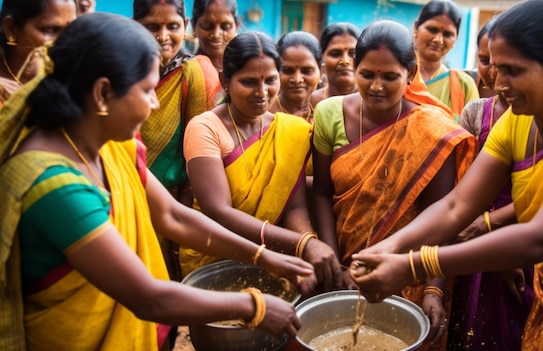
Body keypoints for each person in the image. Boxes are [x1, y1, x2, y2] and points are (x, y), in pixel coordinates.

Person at [0, 13, 315, 351]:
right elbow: (147, 297)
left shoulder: (110, 144)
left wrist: (263, 257)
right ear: (103, 93)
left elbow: (173, 216)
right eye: (148, 91)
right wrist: (255, 306)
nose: (154, 105)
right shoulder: (55, 186)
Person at [350, 1, 543, 350]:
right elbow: (457, 205)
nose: (496, 81)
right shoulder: (519, 118)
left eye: (513, 70)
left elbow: (541, 238)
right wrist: (390, 247)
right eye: (494, 68)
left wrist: (413, 266)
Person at [312, 20, 477, 347]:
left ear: (411, 74)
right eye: (367, 74)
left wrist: (434, 288)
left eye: (390, 76)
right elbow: (320, 193)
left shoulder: (432, 130)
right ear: (355, 69)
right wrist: (335, 264)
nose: (376, 86)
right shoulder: (329, 113)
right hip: (342, 269)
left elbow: (442, 217)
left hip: (408, 275)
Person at [182, 31, 342, 292]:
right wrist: (302, 246)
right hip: (215, 256)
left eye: (270, 80)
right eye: (249, 82)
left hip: (274, 257)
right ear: (225, 80)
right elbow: (219, 211)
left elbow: (294, 206)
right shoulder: (205, 128)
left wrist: (309, 243)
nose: (262, 92)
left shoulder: (291, 130)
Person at [450, 19, 534, 351]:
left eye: (509, 67)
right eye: (487, 62)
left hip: (527, 237)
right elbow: (460, 193)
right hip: (476, 232)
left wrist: (490, 227)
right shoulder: (480, 114)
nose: (497, 78)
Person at [133, 0, 222, 281]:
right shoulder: (123, 70)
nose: (163, 36)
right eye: (152, 27)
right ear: (136, 27)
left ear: (185, 28)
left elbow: (197, 148)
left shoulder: (194, 72)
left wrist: (183, 210)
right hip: (126, 190)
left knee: (165, 277)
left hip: (172, 198)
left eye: (172, 26)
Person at [0, 0, 76, 107]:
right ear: (11, 28)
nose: (65, 41)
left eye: (71, 30)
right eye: (49, 30)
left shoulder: (72, 78)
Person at [412, 0, 479, 120]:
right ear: (416, 28)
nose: (438, 39)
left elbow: (471, 135)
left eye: (447, 34)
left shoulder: (464, 85)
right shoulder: (396, 75)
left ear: (456, 39)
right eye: (432, 29)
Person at [269, 31, 322, 123]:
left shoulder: (326, 112)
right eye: (287, 70)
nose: (297, 79)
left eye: (307, 71)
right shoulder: (264, 116)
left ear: (321, 72)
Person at [309, 22, 361, 108]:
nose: (345, 61)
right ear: (322, 57)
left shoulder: (372, 103)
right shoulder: (310, 103)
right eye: (335, 54)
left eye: (352, 54)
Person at [191, 0, 239, 73]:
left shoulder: (245, 70)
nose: (216, 35)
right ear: (193, 26)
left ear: (236, 26)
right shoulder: (183, 73)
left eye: (225, 26)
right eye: (206, 26)